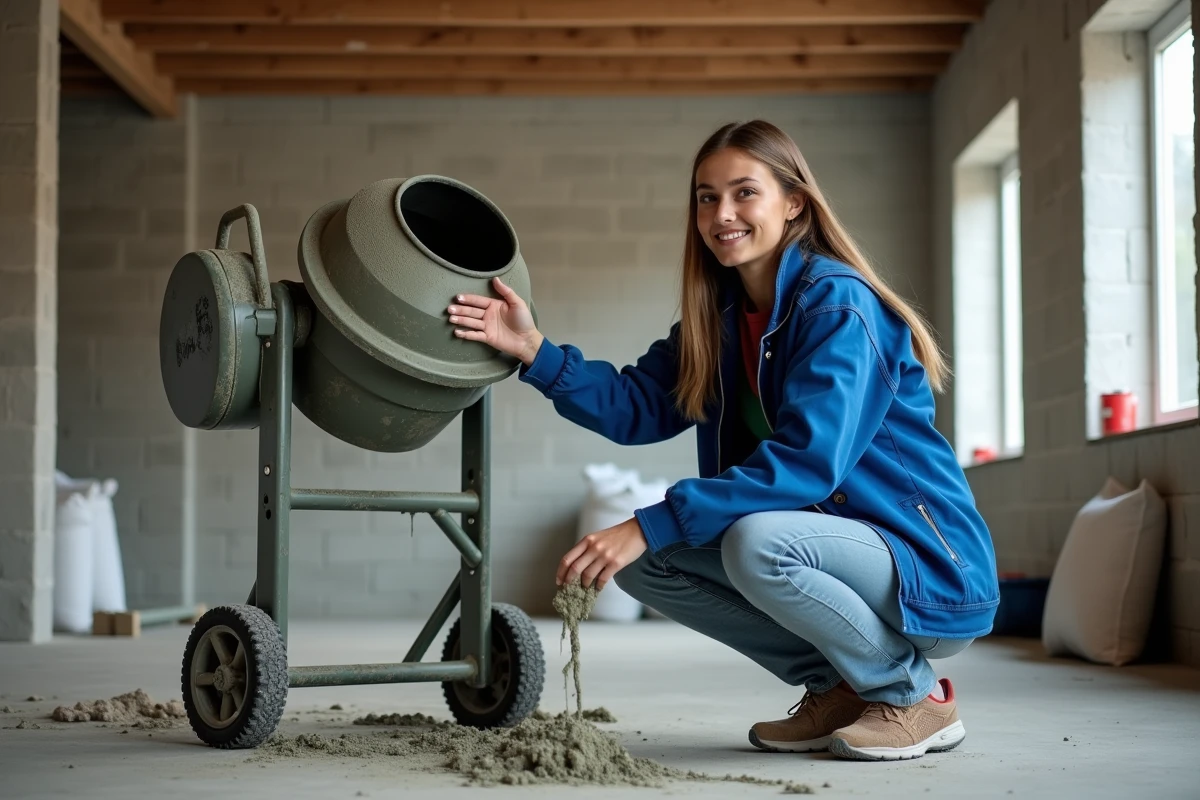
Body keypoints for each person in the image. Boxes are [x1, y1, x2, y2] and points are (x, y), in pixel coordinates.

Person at [445, 120, 998, 762]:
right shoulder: (722, 320)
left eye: (744, 193)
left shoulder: (838, 307)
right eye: (707, 197)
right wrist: (534, 351)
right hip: (834, 554)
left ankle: (911, 695)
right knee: (649, 564)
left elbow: (806, 464)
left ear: (793, 203)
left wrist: (652, 520)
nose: (722, 213)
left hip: (924, 565)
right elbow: (638, 407)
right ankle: (840, 687)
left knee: (756, 541)